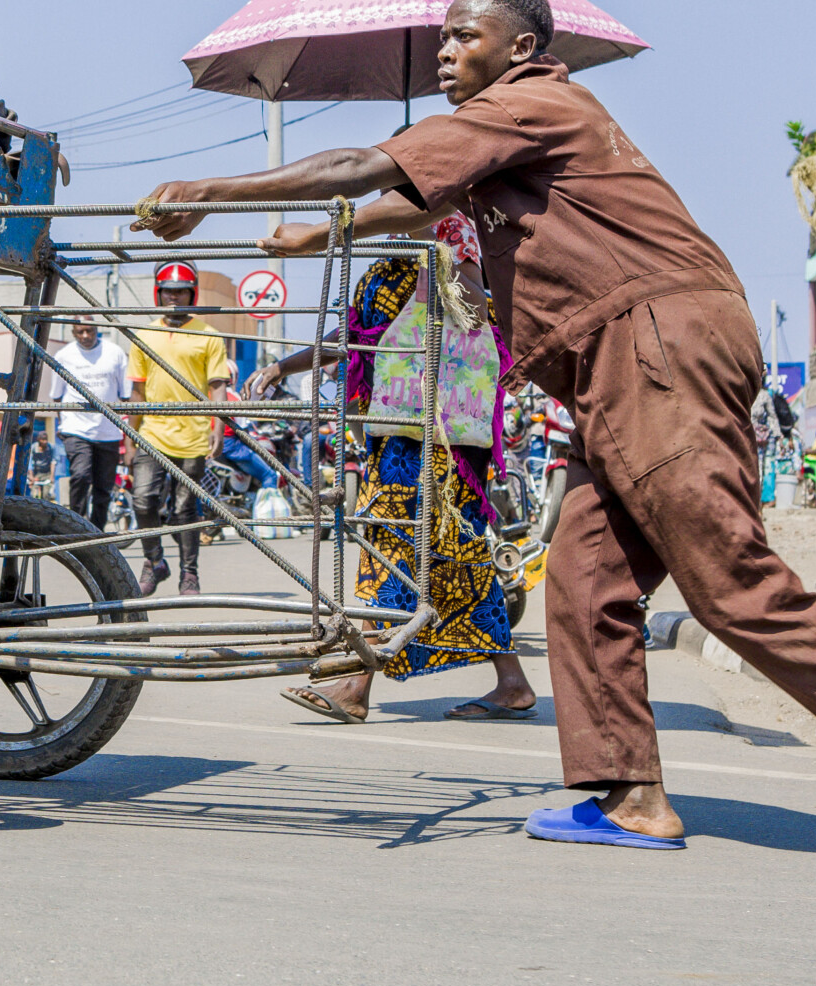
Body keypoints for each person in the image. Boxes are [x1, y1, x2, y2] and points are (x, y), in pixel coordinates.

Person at [134, 0, 816, 861]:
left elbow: (365, 165)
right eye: (441, 38)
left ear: (518, 48)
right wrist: (322, 236)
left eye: (464, 35)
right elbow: (411, 195)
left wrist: (212, 187)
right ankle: (631, 794)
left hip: (652, 347)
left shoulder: (530, 102)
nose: (445, 50)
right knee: (587, 582)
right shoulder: (505, 133)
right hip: (619, 361)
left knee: (725, 576)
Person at [247, 211, 537, 725]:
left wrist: (442, 255)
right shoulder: (385, 269)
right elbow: (355, 338)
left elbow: (473, 317)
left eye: (405, 207)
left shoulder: (452, 250)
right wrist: (282, 366)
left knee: (396, 546)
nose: (393, 218)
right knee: (450, 553)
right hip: (394, 428)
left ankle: (356, 683)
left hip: (440, 436)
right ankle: (511, 682)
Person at [124, 263, 232, 597]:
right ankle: (154, 561)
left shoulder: (208, 334)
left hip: (194, 435)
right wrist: (130, 436)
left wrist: (218, 427)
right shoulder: (144, 336)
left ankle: (189, 575)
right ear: (159, 293)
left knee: (185, 509)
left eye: (181, 291)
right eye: (168, 291)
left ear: (192, 293)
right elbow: (137, 393)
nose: (174, 297)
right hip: (151, 433)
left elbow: (217, 387)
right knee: (143, 500)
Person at [49, 319, 132, 531]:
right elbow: (56, 397)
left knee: (103, 489)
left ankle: (96, 534)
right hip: (75, 428)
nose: (85, 336)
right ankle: (76, 526)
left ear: (97, 330)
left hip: (108, 432)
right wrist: (62, 424)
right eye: (80, 332)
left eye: (89, 331)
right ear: (73, 333)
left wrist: (128, 433)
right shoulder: (64, 356)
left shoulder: (115, 353)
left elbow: (126, 396)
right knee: (81, 475)